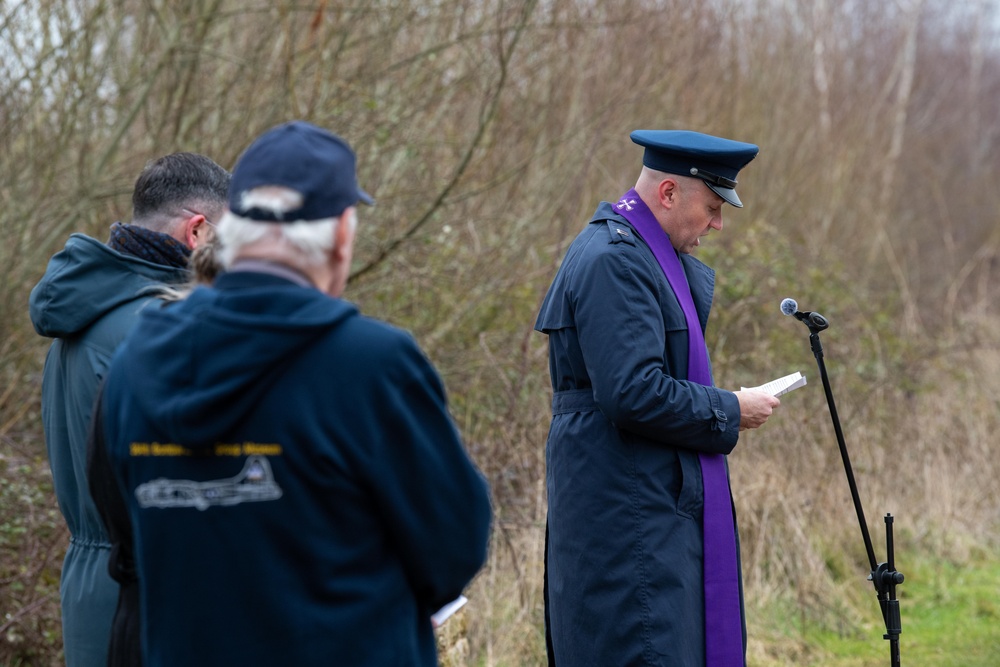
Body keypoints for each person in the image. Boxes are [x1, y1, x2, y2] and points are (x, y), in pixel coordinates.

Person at [94, 120, 493, 666]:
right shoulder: (372, 365)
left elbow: (127, 541)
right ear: (342, 235)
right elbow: (453, 549)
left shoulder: (135, 362)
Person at [534, 129, 781, 666]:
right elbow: (632, 392)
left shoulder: (636, 254)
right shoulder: (616, 261)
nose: (717, 224)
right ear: (669, 193)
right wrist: (730, 409)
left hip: (643, 511)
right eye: (713, 207)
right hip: (626, 525)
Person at [29, 152, 229, 667]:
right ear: (199, 232)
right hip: (162, 600)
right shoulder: (171, 329)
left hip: (88, 592)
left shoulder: (75, 325)